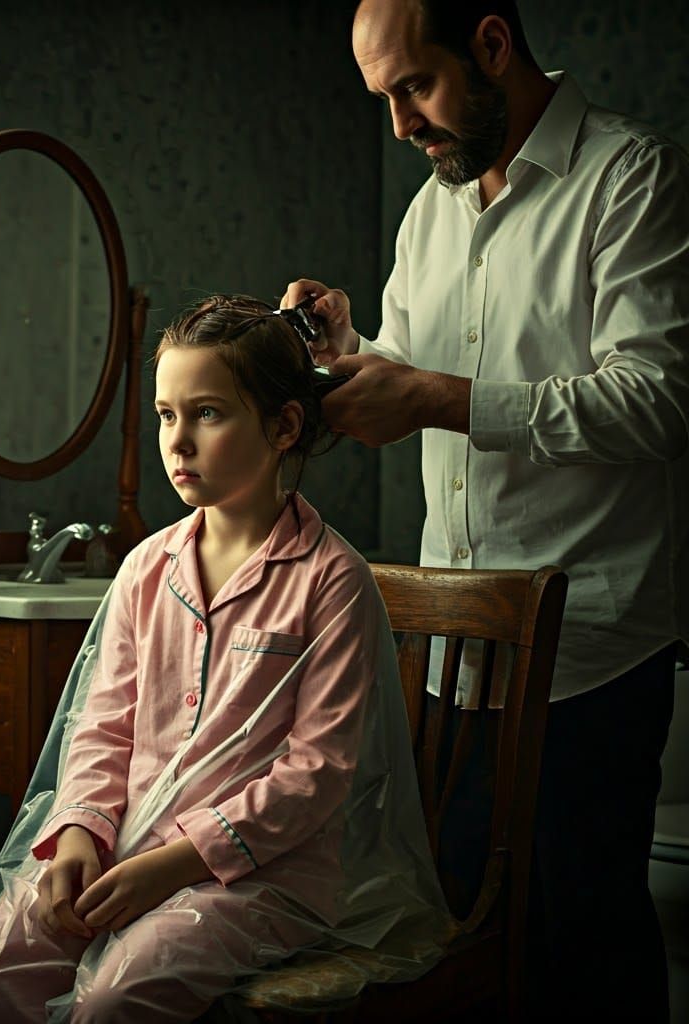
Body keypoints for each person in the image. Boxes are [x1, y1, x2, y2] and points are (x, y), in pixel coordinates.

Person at [283, 1, 689, 1020]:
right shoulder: (432, 210)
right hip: (456, 661)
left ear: (493, 48)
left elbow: (660, 399)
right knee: (466, 946)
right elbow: (404, 372)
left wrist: (437, 400)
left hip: (591, 652)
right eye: (382, 99)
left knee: (585, 954)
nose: (399, 126)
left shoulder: (631, 179)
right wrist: (346, 353)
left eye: (412, 88)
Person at [0, 295, 450, 1023]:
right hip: (122, 849)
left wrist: (177, 864)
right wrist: (78, 834)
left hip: (263, 880)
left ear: (285, 425)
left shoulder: (332, 580)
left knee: (116, 999)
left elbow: (314, 774)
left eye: (208, 413)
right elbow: (101, 729)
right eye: (166, 415)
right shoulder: (144, 570)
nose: (178, 441)